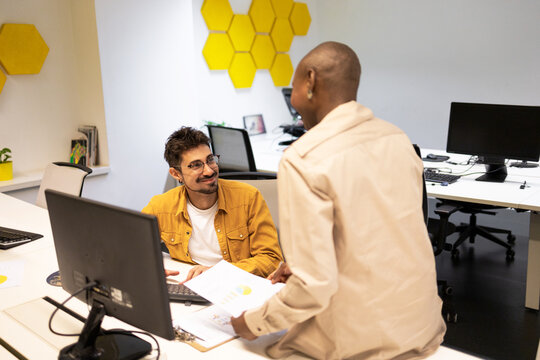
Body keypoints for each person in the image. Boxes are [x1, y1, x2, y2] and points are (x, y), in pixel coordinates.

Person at [231, 42, 446, 359]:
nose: (293, 99)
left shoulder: (304, 159)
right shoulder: (398, 140)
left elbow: (312, 288)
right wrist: (302, 264)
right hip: (422, 330)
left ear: (310, 81)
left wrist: (251, 323)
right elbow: (384, 236)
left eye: (293, 86)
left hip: (361, 346)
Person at [142, 127, 283, 281]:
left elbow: (271, 259)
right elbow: (129, 242)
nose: (209, 171)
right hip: (190, 283)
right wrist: (150, 268)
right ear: (176, 174)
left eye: (210, 160)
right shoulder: (162, 205)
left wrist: (218, 272)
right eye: (196, 165)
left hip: (236, 285)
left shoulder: (248, 198)